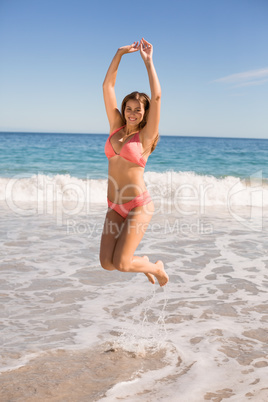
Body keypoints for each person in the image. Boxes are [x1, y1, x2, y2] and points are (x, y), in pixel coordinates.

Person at [99, 38, 169, 287]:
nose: (131, 113)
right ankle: (145, 263)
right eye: (128, 108)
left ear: (144, 113)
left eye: (137, 110)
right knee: (107, 263)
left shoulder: (146, 135)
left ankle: (156, 268)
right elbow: (108, 86)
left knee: (123, 263)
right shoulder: (115, 128)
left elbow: (158, 97)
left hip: (138, 205)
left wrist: (149, 62)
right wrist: (119, 54)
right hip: (114, 205)